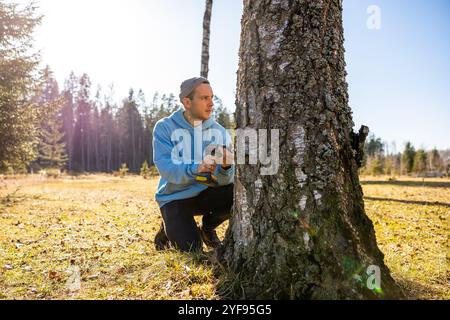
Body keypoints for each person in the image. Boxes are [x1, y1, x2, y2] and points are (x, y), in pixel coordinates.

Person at [152, 77, 234, 252]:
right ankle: (169, 226)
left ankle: (208, 228)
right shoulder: (165, 127)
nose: (211, 103)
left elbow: (224, 181)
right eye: (204, 98)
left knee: (236, 192)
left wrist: (226, 168)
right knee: (192, 251)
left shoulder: (219, 132)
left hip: (204, 194)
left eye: (212, 97)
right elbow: (167, 169)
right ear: (187, 102)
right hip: (174, 198)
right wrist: (196, 168)